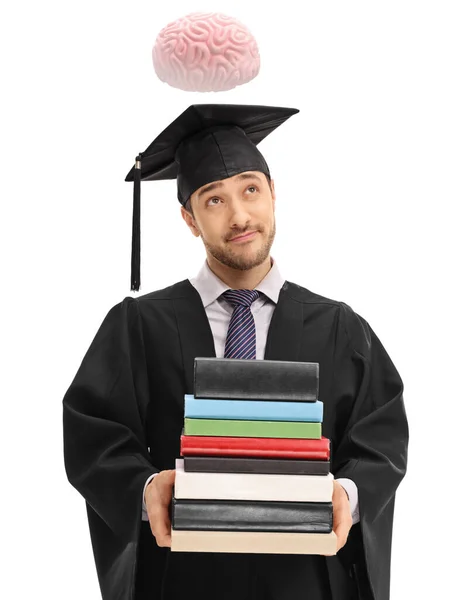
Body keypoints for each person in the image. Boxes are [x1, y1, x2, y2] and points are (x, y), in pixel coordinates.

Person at [62, 103, 409, 600]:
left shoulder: (339, 327)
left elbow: (382, 441)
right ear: (189, 217)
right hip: (183, 581)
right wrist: (145, 489)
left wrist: (346, 495)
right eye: (214, 200)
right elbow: (93, 434)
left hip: (306, 581)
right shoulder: (138, 326)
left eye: (250, 189)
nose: (240, 215)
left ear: (274, 194)